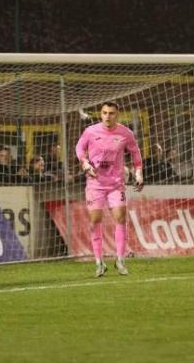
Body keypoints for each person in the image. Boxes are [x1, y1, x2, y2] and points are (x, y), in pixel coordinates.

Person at [76, 101, 143, 277]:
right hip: (95, 183)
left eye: (111, 113)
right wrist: (84, 162)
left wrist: (138, 173)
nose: (108, 116)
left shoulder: (125, 133)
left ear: (117, 115)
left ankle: (120, 260)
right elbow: (79, 148)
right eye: (105, 113)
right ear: (101, 114)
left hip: (115, 183)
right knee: (95, 220)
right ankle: (99, 262)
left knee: (121, 217)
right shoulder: (90, 131)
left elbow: (135, 152)